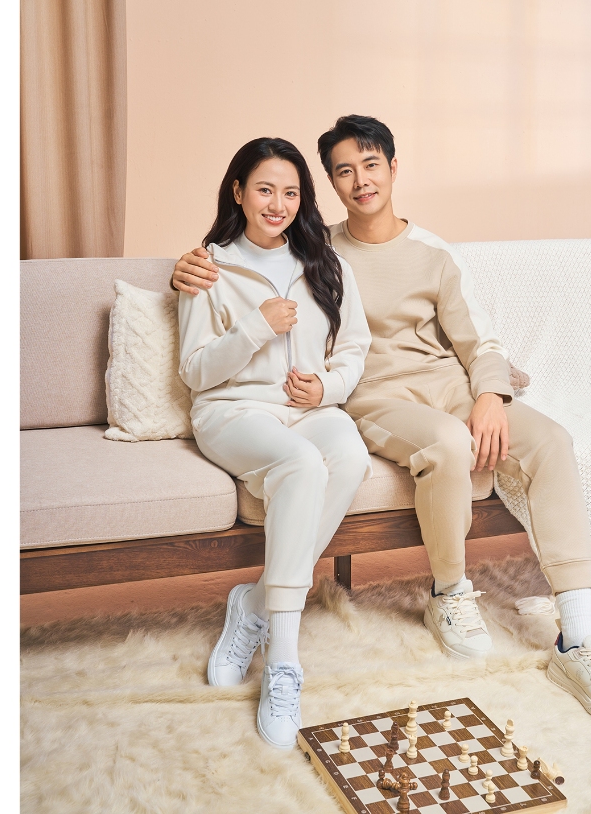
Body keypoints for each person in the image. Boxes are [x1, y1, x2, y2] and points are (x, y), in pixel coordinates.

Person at [174, 117, 591, 727]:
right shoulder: (316, 249)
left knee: (552, 440)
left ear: (393, 168)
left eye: (371, 165)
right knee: (447, 444)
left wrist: (491, 394)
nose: (361, 181)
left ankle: (578, 639)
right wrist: (189, 268)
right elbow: (244, 275)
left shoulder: (429, 253)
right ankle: (450, 594)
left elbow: (480, 339)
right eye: (344, 171)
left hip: (450, 387)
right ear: (331, 184)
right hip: (375, 396)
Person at [177, 137, 372, 749]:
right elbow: (196, 371)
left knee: (349, 454)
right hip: (232, 411)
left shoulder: (324, 262)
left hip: (305, 409)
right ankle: (284, 662)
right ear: (238, 192)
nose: (278, 204)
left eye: (290, 192)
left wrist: (327, 388)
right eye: (265, 189)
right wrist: (257, 326)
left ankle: (255, 604)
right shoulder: (208, 267)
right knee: (301, 464)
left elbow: (355, 345)